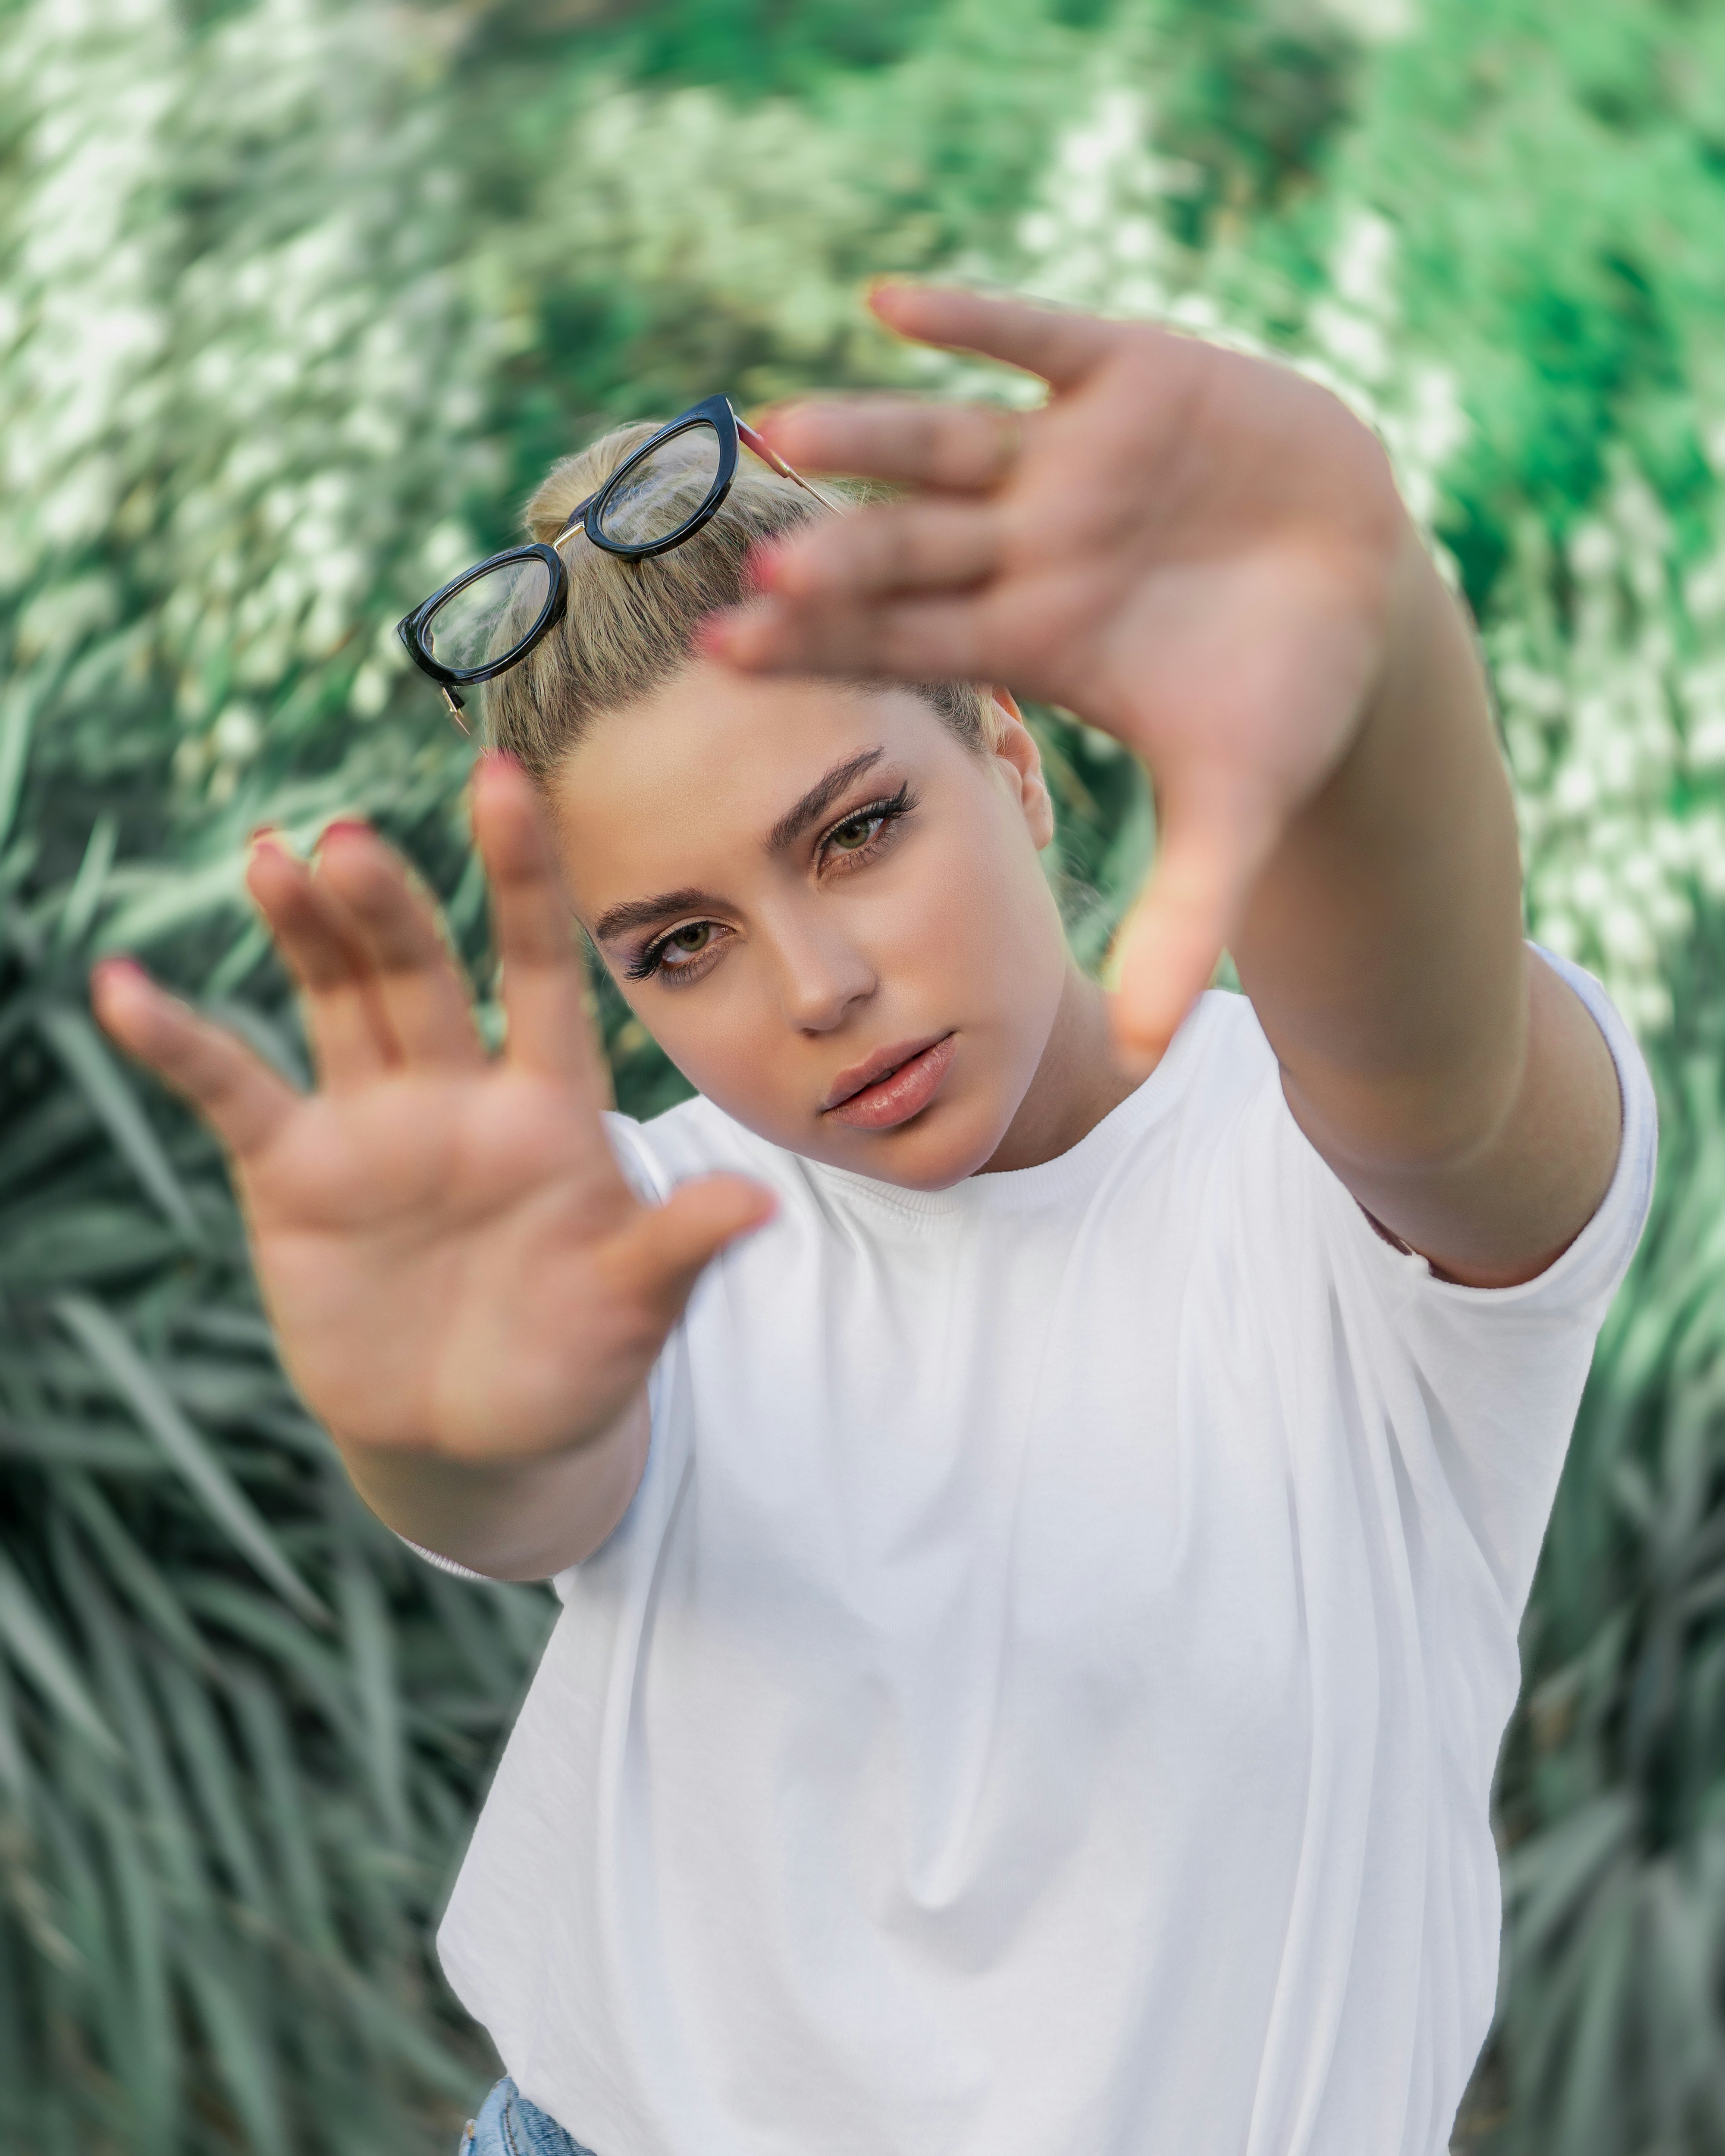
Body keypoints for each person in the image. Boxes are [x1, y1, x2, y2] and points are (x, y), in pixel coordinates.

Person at [94, 285, 1655, 2156]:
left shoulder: (1324, 1190)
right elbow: (527, 1482)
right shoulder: (647, 1227)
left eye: (853, 831)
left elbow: (1435, 1066)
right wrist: (434, 1432)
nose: (816, 983)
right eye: (682, 943)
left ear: (1004, 754)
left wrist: (1369, 638)